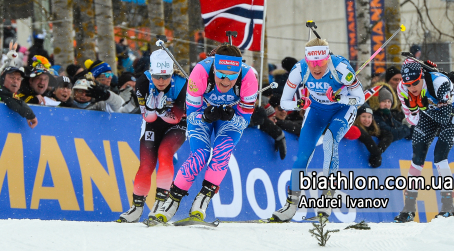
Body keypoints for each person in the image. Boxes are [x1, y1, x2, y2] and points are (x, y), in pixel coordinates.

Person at [152, 44, 258, 223]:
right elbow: (191, 115)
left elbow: (245, 119)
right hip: (201, 112)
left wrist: (232, 116)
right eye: (221, 75)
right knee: (200, 155)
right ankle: (172, 201)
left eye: (232, 77)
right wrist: (206, 116)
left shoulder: (248, 78)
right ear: (214, 68)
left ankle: (202, 200)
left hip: (229, 117)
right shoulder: (200, 72)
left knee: (222, 151)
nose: (225, 82)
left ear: (239, 72)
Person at [270, 37, 365, 222]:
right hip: (316, 111)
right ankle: (291, 205)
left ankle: (327, 200)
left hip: (342, 110)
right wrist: (299, 103)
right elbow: (284, 102)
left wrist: (340, 99)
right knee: (303, 155)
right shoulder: (300, 69)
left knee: (330, 140)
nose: (316, 68)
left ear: (327, 58)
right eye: (312, 63)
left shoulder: (341, 68)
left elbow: (360, 98)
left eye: (320, 62)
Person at [117, 50, 188, 223]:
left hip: (177, 124)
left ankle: (160, 203)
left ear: (172, 74)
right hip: (152, 123)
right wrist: (151, 110)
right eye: (157, 76)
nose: (161, 81)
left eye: (166, 77)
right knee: (146, 164)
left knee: (165, 154)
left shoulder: (181, 84)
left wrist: (161, 111)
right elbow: (147, 118)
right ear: (151, 73)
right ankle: (136, 207)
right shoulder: (143, 81)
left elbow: (176, 118)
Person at [394, 60, 454, 222]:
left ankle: (448, 207)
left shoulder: (440, 83)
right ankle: (409, 209)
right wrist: (414, 109)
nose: (412, 88)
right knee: (417, 156)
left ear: (422, 77)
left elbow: (445, 118)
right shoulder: (402, 89)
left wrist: (423, 106)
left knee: (440, 156)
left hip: (452, 112)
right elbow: (412, 120)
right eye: (408, 84)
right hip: (428, 112)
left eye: (415, 83)